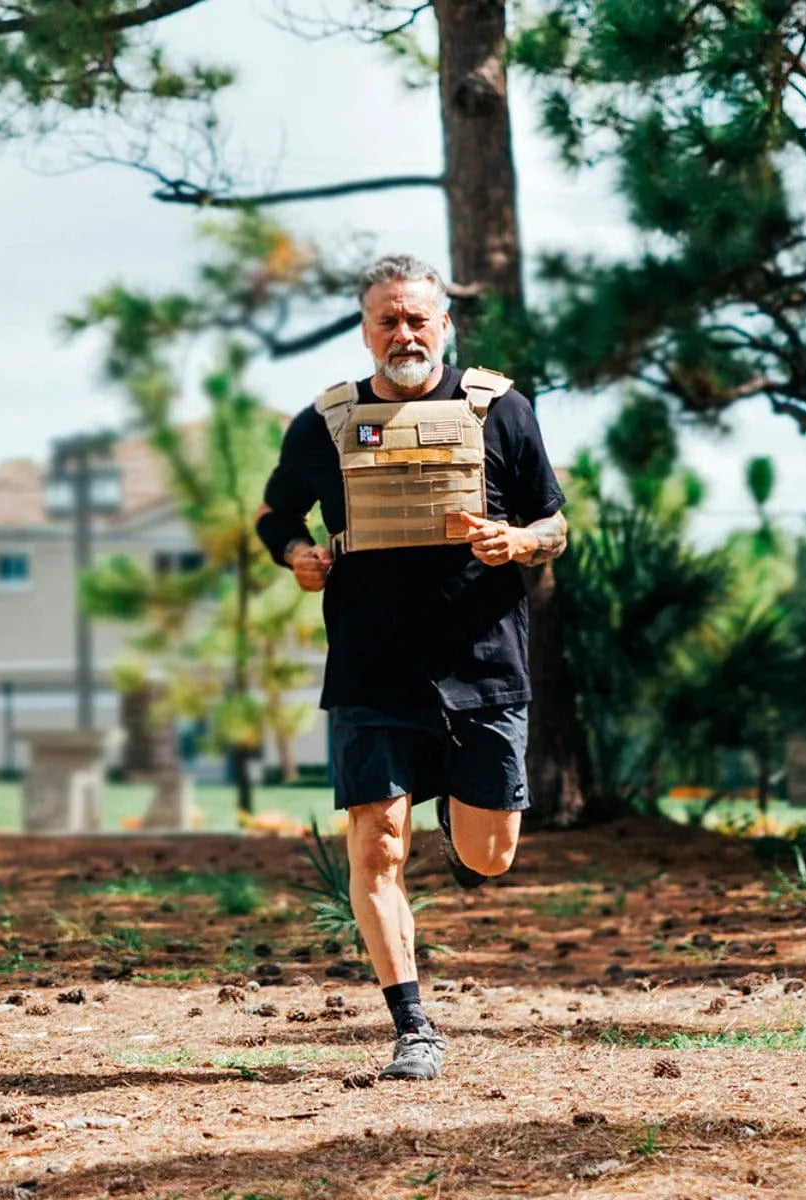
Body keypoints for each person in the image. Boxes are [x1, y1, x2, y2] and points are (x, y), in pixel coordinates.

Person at [255, 253, 567, 1081]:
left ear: (445, 325)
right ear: (365, 331)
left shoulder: (501, 411)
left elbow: (555, 521)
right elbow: (274, 512)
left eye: (417, 319)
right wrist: (297, 553)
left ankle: (458, 821)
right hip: (373, 666)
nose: (404, 334)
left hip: (483, 662)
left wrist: (522, 542)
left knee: (492, 854)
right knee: (376, 847)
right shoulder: (323, 424)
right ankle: (413, 1026)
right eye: (387, 320)